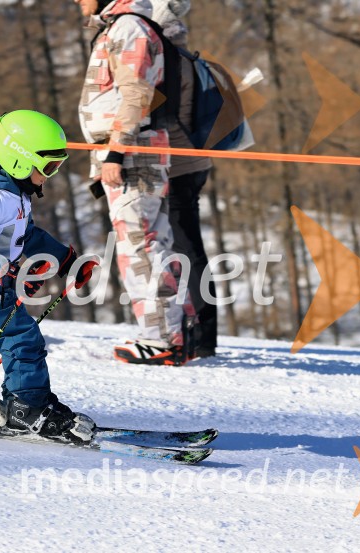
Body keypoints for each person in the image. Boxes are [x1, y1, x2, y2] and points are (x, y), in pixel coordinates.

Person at [0, 110, 99, 443]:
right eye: (48, 167)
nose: (51, 175)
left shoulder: (14, 192)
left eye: (58, 166)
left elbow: (27, 236)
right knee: (23, 341)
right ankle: (27, 409)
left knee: (21, 341)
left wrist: (67, 261)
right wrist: (2, 267)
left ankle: (25, 402)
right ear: (20, 161)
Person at [73, 0, 195, 365]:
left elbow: (137, 93)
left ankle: (161, 338)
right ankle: (176, 332)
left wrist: (116, 152)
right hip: (133, 148)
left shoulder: (129, 27)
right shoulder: (121, 26)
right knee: (152, 243)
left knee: (140, 248)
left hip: (132, 150)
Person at [150, 0, 217, 358]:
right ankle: (199, 329)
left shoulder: (170, 61)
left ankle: (203, 335)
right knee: (187, 248)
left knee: (188, 250)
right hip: (193, 162)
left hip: (178, 165)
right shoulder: (187, 57)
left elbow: (160, 114)